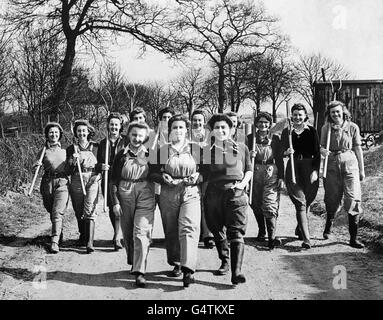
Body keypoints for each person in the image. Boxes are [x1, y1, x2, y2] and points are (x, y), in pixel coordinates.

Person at [150, 114, 203, 288]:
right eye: (175, 128)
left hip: (190, 191)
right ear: (169, 130)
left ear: (186, 130)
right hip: (169, 191)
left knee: (189, 227)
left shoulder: (196, 148)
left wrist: (198, 176)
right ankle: (177, 262)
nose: (178, 131)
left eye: (181, 127)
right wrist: (162, 176)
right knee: (171, 228)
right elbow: (151, 172)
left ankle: (188, 269)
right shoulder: (162, 150)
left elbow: (208, 171)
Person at [203, 114, 253, 285]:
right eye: (216, 127)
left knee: (236, 232)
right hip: (214, 194)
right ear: (212, 130)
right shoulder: (206, 150)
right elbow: (201, 173)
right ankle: (224, 260)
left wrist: (242, 184)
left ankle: (236, 271)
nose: (220, 130)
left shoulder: (241, 147)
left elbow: (248, 169)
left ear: (231, 129)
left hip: (236, 193)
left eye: (224, 127)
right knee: (216, 229)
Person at [110, 121, 155, 287]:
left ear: (145, 137)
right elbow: (113, 180)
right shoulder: (121, 155)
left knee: (141, 232)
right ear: (128, 135)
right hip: (125, 193)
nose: (137, 138)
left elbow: (157, 173)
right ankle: (133, 258)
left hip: (145, 193)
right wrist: (115, 202)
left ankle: (140, 271)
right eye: (134, 134)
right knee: (128, 233)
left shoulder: (151, 154)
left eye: (140, 136)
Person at [320, 101, 365, 248]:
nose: (335, 114)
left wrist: (362, 170)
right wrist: (322, 151)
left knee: (353, 199)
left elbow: (358, 148)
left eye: (338, 112)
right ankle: (329, 224)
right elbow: (320, 146)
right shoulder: (326, 128)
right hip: (332, 165)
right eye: (332, 112)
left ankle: (353, 237)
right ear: (329, 114)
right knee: (332, 198)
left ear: (343, 112)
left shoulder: (352, 127)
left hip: (350, 164)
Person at [281, 103, 320, 249]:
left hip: (309, 168)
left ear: (305, 116)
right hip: (293, 168)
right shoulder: (287, 132)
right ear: (291, 116)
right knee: (300, 202)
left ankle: (300, 227)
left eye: (300, 115)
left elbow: (317, 154)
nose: (297, 117)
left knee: (307, 201)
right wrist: (286, 152)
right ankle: (307, 239)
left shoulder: (312, 131)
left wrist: (315, 171)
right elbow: (280, 151)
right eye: (295, 114)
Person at [247, 112, 284, 250]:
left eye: (266, 122)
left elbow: (279, 159)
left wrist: (281, 176)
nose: (263, 125)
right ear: (256, 124)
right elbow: (243, 156)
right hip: (255, 171)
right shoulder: (250, 138)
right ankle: (262, 230)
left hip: (270, 171)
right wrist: (249, 154)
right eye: (260, 122)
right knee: (255, 203)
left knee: (270, 203)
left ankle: (272, 238)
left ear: (270, 124)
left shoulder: (275, 138)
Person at [66, 119, 101, 254]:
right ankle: (83, 236)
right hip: (76, 179)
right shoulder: (71, 148)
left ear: (88, 131)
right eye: (79, 131)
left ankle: (89, 242)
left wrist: (99, 174)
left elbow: (101, 165)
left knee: (90, 209)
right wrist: (72, 161)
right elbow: (68, 170)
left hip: (92, 178)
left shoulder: (96, 147)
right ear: (75, 133)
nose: (81, 133)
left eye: (84, 130)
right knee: (79, 209)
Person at [34, 122, 69, 254]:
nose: (54, 135)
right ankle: (59, 234)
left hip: (62, 183)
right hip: (47, 183)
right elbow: (36, 166)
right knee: (51, 210)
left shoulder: (66, 150)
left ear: (60, 135)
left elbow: (72, 166)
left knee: (57, 212)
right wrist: (36, 164)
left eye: (56, 133)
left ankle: (54, 242)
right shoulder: (43, 151)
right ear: (47, 135)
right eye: (51, 133)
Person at [97, 112, 127, 251]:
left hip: (122, 178)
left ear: (120, 126)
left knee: (122, 205)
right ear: (108, 126)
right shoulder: (103, 143)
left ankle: (118, 236)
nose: (114, 127)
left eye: (116, 124)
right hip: (108, 178)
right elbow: (98, 162)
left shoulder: (126, 141)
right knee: (112, 206)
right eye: (111, 124)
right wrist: (102, 166)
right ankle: (117, 233)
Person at [190, 109, 215, 249]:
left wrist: (203, 174)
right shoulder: (187, 136)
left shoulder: (209, 137)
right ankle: (195, 233)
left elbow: (212, 158)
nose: (197, 122)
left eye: (200, 120)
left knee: (206, 204)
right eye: (195, 120)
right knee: (193, 204)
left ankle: (208, 234)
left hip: (205, 175)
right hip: (190, 175)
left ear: (204, 122)